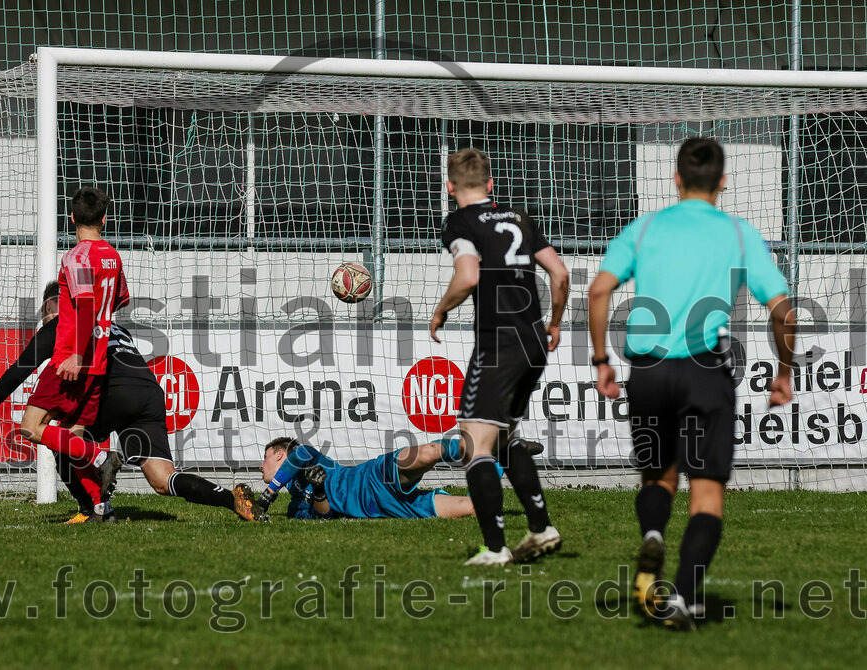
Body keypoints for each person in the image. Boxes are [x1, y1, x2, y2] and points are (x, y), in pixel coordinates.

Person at [587, 137, 795, 630]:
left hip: (651, 371)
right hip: (705, 371)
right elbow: (783, 311)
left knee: (658, 477)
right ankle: (682, 593)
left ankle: (654, 533)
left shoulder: (646, 228)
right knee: (706, 493)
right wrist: (784, 371)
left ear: (676, 179)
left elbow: (598, 291)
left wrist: (601, 360)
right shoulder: (739, 234)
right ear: (722, 182)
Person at [0, 281, 264, 523]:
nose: (45, 317)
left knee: (63, 438)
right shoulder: (114, 327)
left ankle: (94, 509)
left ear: (53, 304)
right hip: (147, 392)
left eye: (45, 310)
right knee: (162, 480)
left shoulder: (63, 324)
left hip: (111, 390)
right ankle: (231, 498)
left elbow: (21, 368)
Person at [430, 147, 569, 566]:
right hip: (533, 342)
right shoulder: (520, 218)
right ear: (491, 185)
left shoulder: (459, 221)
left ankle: (495, 549)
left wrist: (441, 310)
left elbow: (468, 275)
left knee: (475, 444)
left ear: (450, 187)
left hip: (497, 345)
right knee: (504, 436)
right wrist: (556, 323)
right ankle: (541, 527)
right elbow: (560, 273)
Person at [18, 186, 130, 517]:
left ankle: (101, 457)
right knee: (72, 435)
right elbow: (120, 298)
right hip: (99, 360)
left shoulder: (77, 257)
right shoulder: (112, 255)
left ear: (71, 218)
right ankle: (100, 506)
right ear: (105, 220)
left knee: (31, 427)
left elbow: (83, 305)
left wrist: (76, 354)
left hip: (72, 358)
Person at [256, 437, 475, 520]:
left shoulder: (308, 457)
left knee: (431, 452)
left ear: (280, 455)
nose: (260, 465)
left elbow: (300, 453)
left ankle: (479, 449)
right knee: (471, 507)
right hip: (386, 508)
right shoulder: (294, 505)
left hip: (373, 477)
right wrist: (320, 491)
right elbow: (323, 517)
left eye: (265, 458)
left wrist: (267, 496)